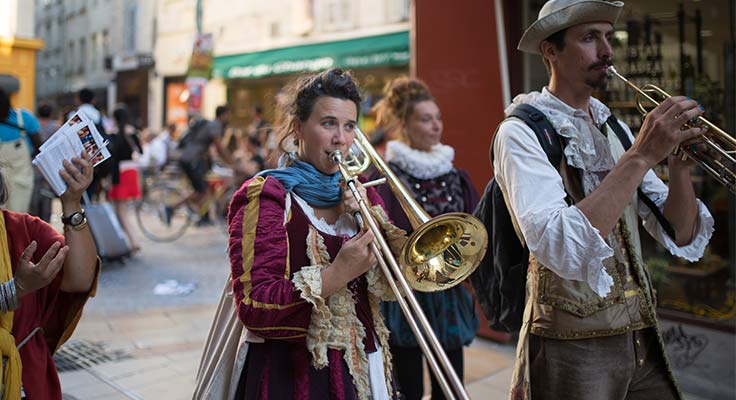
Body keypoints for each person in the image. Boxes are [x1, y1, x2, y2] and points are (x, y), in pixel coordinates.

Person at [493, 1, 715, 399]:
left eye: (608, 38)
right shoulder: (521, 131)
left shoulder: (613, 126)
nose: (607, 51)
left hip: (642, 336)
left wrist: (680, 168)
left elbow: (680, 235)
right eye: (589, 38)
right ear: (551, 50)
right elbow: (557, 244)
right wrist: (642, 155)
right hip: (571, 345)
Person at [227, 68, 405, 399]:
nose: (341, 138)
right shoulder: (268, 196)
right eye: (328, 124)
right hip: (293, 376)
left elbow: (397, 279)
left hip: (367, 365)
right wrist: (337, 273)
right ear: (298, 129)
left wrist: (370, 221)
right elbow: (255, 305)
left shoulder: (362, 189)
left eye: (350, 126)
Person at [369, 77, 479, 400]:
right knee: (409, 390)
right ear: (404, 124)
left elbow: (470, 232)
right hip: (406, 295)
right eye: (425, 119)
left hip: (447, 294)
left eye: (438, 118)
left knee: (450, 387)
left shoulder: (456, 176)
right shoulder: (384, 177)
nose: (436, 126)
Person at [0, 151, 100, 399]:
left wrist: (72, 203)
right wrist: (16, 289)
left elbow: (79, 279)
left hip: (27, 379)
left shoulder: (22, 229)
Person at [167, 106, 233, 225]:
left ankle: (203, 217)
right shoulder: (215, 125)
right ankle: (172, 207)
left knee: (205, 189)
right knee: (200, 191)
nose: (229, 118)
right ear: (223, 115)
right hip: (192, 160)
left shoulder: (210, 125)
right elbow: (220, 148)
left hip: (191, 159)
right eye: (228, 115)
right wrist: (233, 163)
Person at [106, 106, 142, 252]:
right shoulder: (132, 133)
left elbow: (112, 158)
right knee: (121, 210)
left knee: (120, 211)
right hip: (132, 171)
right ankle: (127, 241)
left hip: (119, 174)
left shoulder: (113, 135)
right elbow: (141, 151)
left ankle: (133, 241)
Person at [0, 88, 42, 213]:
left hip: (21, 179)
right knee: (16, 219)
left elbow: (39, 147)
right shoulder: (25, 118)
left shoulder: (23, 118)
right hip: (22, 178)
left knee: (15, 218)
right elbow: (39, 147)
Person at [29, 104, 60, 221]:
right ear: (51, 114)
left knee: (34, 196)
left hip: (34, 165)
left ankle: (33, 220)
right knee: (47, 195)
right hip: (49, 166)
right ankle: (45, 222)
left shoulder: (34, 125)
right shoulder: (56, 127)